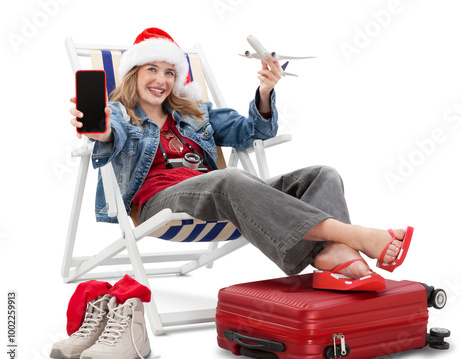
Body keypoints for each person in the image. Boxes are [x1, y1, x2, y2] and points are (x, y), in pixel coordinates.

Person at [70, 27, 413, 284]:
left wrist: (265, 91)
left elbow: (254, 131)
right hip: (160, 203)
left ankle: (331, 255)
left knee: (324, 174)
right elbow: (108, 134)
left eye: (170, 72)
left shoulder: (195, 113)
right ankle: (352, 237)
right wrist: (100, 132)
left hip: (223, 195)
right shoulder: (119, 113)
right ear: (134, 72)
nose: (162, 80)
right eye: (152, 70)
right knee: (230, 179)